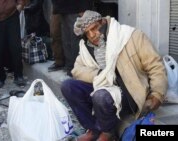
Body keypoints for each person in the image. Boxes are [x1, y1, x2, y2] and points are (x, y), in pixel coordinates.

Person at [61, 10, 167, 141]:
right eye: (87, 33)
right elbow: (77, 70)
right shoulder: (86, 46)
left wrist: (157, 93)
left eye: (94, 28)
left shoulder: (131, 36)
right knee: (68, 86)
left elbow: (155, 65)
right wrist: (100, 74)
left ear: (103, 22)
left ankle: (107, 133)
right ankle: (94, 130)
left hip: (129, 95)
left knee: (101, 96)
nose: (92, 35)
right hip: (103, 90)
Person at [49, 0, 93, 76]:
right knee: (68, 38)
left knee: (74, 38)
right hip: (64, 7)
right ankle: (71, 67)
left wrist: (83, 7)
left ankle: (74, 67)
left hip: (74, 7)